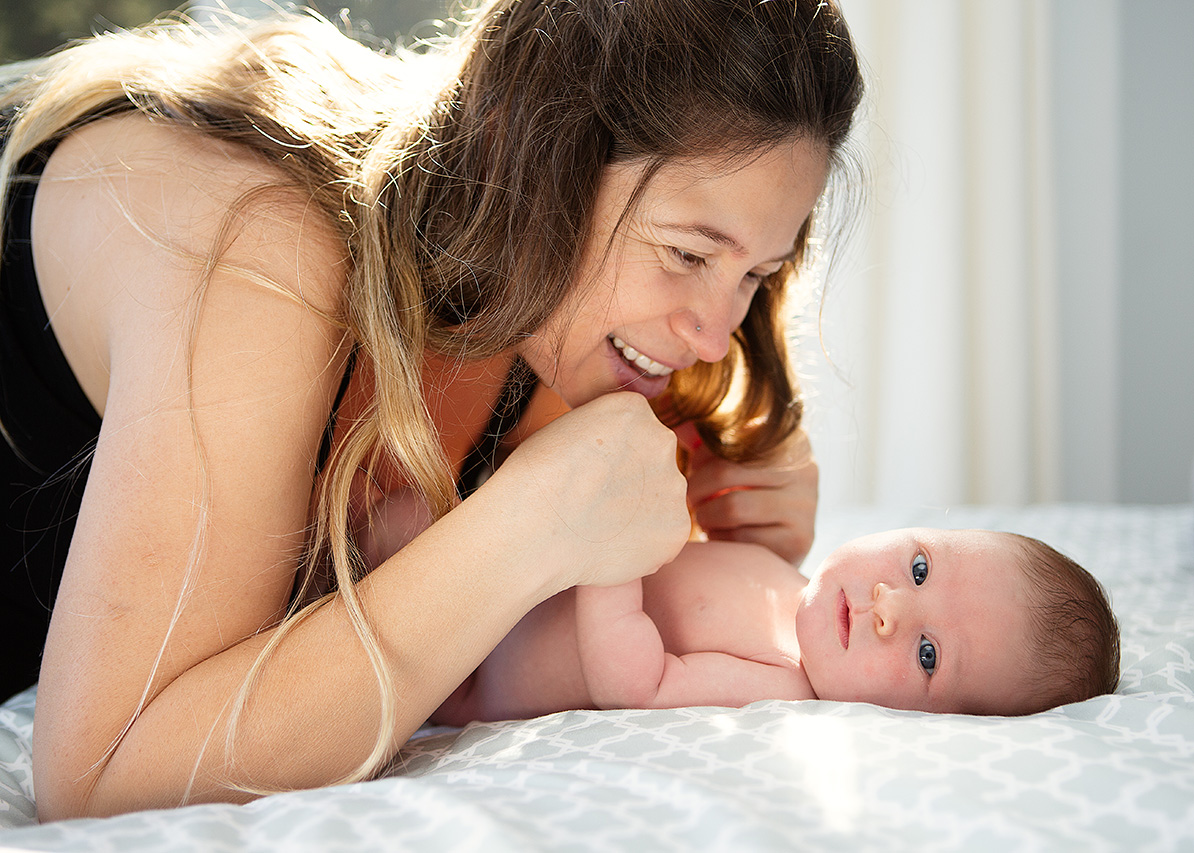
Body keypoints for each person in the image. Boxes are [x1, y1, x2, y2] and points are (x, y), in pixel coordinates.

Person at [0, 0, 864, 820]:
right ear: (525, 151)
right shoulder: (260, 243)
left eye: (753, 274)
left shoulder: (539, 324)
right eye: (685, 253)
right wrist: (529, 525)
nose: (714, 336)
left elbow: (577, 629)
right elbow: (100, 781)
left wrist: (745, 552)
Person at [431, 528, 1121, 725]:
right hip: (500, 573)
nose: (890, 606)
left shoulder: (789, 684)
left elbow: (637, 683)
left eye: (930, 652)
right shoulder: (781, 573)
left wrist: (611, 547)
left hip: (464, 667)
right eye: (918, 568)